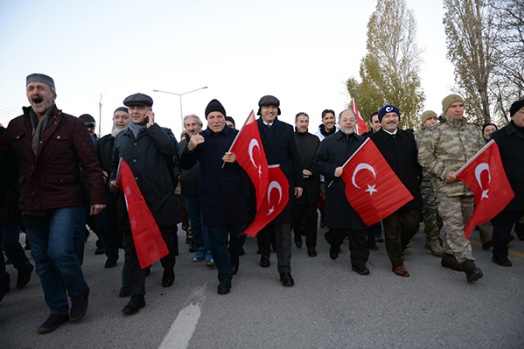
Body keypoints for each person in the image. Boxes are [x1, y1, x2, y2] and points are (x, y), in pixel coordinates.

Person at [0, 73, 106, 333]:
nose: (35, 92)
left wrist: (98, 197)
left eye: (41, 88)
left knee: (59, 251)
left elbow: (90, 164)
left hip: (65, 200)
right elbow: (6, 168)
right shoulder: (15, 127)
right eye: (30, 88)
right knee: (43, 261)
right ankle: (58, 309)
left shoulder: (71, 125)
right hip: (31, 203)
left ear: (53, 95)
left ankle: (79, 291)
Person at [109, 93, 179, 315]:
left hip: (159, 198)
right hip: (132, 203)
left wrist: (153, 127)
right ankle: (137, 296)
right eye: (132, 109)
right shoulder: (121, 138)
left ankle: (168, 269)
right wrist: (113, 179)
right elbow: (114, 164)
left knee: (165, 238)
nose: (135, 112)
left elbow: (171, 151)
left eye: (140, 108)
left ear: (149, 111)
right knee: (132, 248)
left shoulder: (162, 132)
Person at [180, 100, 247, 294]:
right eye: (211, 117)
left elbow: (252, 162)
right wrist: (190, 147)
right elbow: (185, 164)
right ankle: (224, 276)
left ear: (225, 118)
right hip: (211, 198)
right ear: (207, 120)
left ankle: (233, 257)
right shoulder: (199, 139)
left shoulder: (237, 136)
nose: (216, 120)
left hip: (235, 196)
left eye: (219, 117)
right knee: (217, 240)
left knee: (238, 236)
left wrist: (237, 159)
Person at [417, 94, 484, 283]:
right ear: (446, 109)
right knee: (454, 226)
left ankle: (448, 256)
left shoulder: (473, 130)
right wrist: (443, 171)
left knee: (463, 225)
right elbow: (424, 158)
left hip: (469, 188)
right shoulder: (435, 131)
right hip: (446, 188)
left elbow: (482, 155)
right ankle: (468, 263)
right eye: (454, 106)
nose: (458, 109)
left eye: (461, 105)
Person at [314, 109, 371, 275]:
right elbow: (318, 164)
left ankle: (359, 263)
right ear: (339, 123)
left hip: (359, 193)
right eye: (344, 120)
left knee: (358, 230)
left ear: (355, 123)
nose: (348, 122)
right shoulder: (328, 143)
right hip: (337, 192)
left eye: (351, 120)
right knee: (337, 229)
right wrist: (332, 170)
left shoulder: (363, 143)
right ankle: (334, 243)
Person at [256, 95, 304, 286]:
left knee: (283, 227)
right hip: (260, 184)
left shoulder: (286, 129)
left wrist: (298, 183)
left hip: (282, 184)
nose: (270, 110)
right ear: (260, 109)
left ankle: (285, 270)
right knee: (263, 223)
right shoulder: (251, 129)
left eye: (274, 107)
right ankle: (265, 254)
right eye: (266, 107)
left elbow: (294, 157)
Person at [370, 105, 422, 277]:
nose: (391, 119)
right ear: (381, 120)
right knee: (391, 228)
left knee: (412, 224)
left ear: (398, 118)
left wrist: (417, 179)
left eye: (394, 116)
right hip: (387, 193)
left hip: (409, 190)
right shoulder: (373, 141)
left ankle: (401, 246)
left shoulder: (408, 137)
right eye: (387, 117)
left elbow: (416, 161)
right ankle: (397, 263)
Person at [489, 99, 524, 267]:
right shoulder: (499, 137)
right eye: (523, 113)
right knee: (504, 225)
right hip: (509, 190)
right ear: (512, 115)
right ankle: (499, 254)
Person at [179, 114, 213, 266]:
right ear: (185, 128)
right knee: (194, 222)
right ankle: (199, 247)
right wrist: (179, 176)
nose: (191, 128)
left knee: (207, 221)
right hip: (188, 190)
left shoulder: (208, 141)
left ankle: (209, 250)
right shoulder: (180, 145)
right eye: (188, 125)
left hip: (207, 189)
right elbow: (176, 165)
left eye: (194, 124)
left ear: (200, 126)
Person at [414, 110, 444, 257]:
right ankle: (432, 239)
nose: (433, 121)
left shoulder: (441, 135)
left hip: (441, 179)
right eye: (430, 119)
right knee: (430, 209)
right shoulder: (416, 137)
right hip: (424, 180)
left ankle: (435, 235)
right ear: (423, 121)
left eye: (435, 119)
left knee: (441, 210)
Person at [292, 112, 320, 257]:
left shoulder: (315, 140)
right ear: (295, 122)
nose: (303, 124)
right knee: (296, 215)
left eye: (306, 121)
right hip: (296, 184)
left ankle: (311, 245)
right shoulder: (290, 139)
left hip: (311, 185)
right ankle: (297, 233)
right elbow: (287, 160)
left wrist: (311, 171)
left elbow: (319, 160)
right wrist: (297, 173)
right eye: (301, 121)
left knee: (312, 217)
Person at [361, 110, 383, 248]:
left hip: (386, 178)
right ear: (371, 124)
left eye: (380, 121)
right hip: (370, 180)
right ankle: (372, 238)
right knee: (372, 210)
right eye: (375, 122)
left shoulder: (392, 137)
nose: (378, 125)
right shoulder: (364, 139)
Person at [315, 109, 337, 229]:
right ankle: (324, 216)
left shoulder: (341, 132)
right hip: (323, 177)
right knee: (324, 201)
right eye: (326, 118)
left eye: (331, 118)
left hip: (339, 174)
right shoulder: (316, 137)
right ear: (322, 120)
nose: (329, 121)